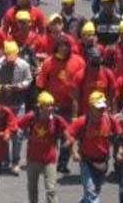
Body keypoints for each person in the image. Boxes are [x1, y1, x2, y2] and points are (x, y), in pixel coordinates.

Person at [36, 37, 86, 174]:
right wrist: (41, 103)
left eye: (66, 46)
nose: (64, 49)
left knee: (67, 136)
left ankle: (62, 163)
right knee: (49, 135)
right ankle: (47, 160)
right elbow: (40, 85)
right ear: (56, 47)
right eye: (61, 46)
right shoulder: (48, 62)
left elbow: (84, 83)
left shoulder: (79, 62)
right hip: (51, 106)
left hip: (70, 106)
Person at [18, 91, 72, 203]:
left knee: (51, 189)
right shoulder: (31, 117)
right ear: (40, 106)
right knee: (32, 187)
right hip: (33, 158)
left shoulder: (57, 119)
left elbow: (68, 131)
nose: (50, 108)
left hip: (50, 159)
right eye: (47, 105)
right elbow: (17, 126)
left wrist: (69, 142)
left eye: (51, 105)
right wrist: (19, 134)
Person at [70, 91, 120, 203]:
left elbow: (119, 134)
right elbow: (69, 134)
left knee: (94, 190)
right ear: (91, 108)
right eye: (98, 108)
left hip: (102, 161)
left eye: (103, 107)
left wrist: (120, 151)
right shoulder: (82, 121)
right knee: (91, 192)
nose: (101, 110)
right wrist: (74, 152)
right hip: (86, 161)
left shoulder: (109, 119)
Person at [0, 40, 33, 174]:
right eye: (8, 58)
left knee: (17, 133)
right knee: (3, 133)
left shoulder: (24, 65)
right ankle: (5, 159)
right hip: (2, 104)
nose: (11, 61)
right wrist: (2, 88)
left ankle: (16, 161)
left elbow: (29, 80)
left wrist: (18, 86)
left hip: (18, 104)